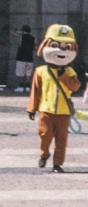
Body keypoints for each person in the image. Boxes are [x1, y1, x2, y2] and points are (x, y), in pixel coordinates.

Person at [29, 25, 81, 172]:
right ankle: (44, 154)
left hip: (63, 111)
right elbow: (36, 91)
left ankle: (57, 164)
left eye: (67, 46)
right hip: (46, 110)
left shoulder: (70, 71)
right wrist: (32, 108)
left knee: (62, 140)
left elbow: (75, 87)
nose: (62, 50)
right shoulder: (40, 71)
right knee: (44, 134)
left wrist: (65, 77)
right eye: (55, 45)